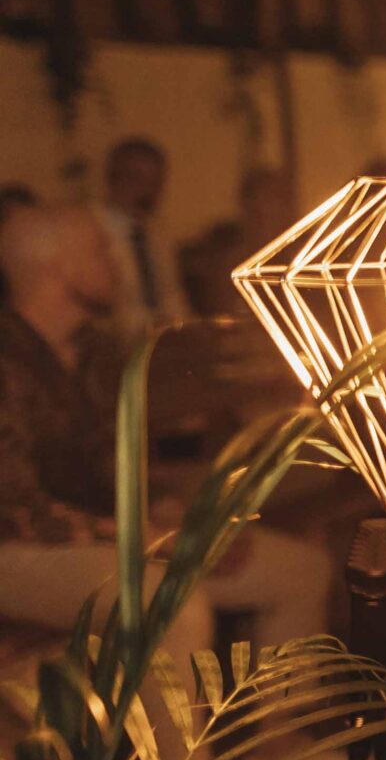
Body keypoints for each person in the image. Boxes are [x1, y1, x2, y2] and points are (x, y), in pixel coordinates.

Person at [0, 205, 332, 701]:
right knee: (171, 601)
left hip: (101, 537)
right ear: (59, 267)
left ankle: (276, 753)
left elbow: (111, 472)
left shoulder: (93, 351)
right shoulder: (7, 360)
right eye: (99, 250)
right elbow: (19, 511)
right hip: (18, 553)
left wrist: (173, 514)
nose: (116, 262)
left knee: (300, 571)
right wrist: (159, 541)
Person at [91, 136, 189, 335]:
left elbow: (171, 295)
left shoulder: (158, 234)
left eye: (154, 181)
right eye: (136, 178)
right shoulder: (91, 230)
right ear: (113, 178)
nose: (147, 190)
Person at [180, 164, 298, 316]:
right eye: (258, 214)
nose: (269, 217)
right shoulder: (231, 267)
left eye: (278, 204)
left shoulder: (301, 262)